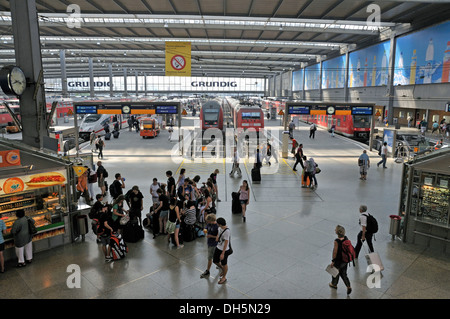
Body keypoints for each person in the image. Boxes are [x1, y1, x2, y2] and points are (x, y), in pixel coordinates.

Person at [329, 225, 352, 295]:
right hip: (345, 260)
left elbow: (335, 252)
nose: (334, 230)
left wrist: (333, 261)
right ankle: (348, 286)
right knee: (344, 274)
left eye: (335, 229)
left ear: (337, 232)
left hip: (338, 261)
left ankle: (334, 284)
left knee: (335, 272)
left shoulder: (337, 241)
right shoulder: (346, 239)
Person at [213, 217, 232, 285]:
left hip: (224, 250)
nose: (217, 224)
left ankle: (224, 277)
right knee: (215, 261)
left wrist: (223, 253)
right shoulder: (219, 228)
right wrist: (217, 237)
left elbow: (226, 242)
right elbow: (218, 233)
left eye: (217, 223)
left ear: (220, 224)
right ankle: (222, 269)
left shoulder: (227, 231)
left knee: (224, 263)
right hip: (218, 247)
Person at [200, 214, 219, 279]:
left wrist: (211, 236)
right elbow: (206, 227)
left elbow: (218, 237)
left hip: (213, 244)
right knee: (214, 256)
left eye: (208, 221)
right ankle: (219, 264)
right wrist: (205, 230)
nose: (207, 223)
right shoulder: (209, 224)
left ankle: (208, 270)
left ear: (211, 220)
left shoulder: (217, 227)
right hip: (209, 242)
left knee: (210, 257)